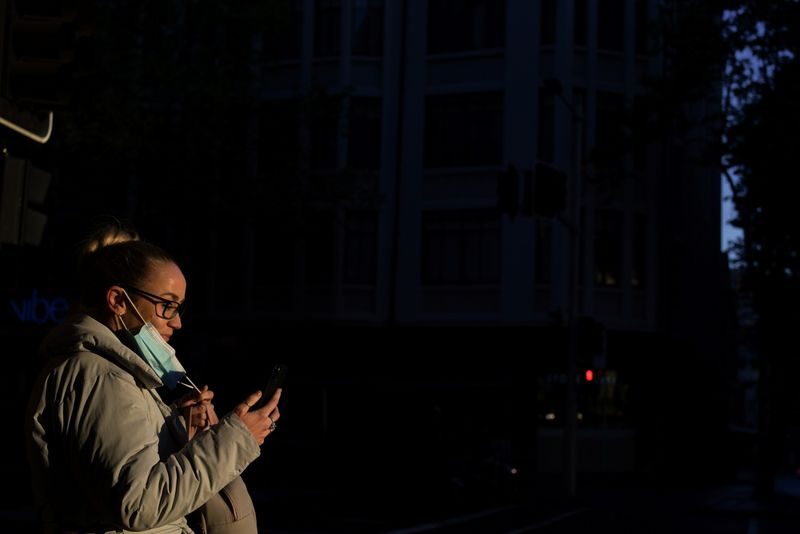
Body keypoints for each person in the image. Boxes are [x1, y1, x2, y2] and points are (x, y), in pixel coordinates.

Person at [24, 219, 281, 534]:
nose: (177, 323)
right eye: (167, 306)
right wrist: (234, 439)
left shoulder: (113, 373)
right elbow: (138, 504)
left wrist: (183, 432)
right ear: (118, 301)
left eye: (178, 308)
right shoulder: (98, 376)